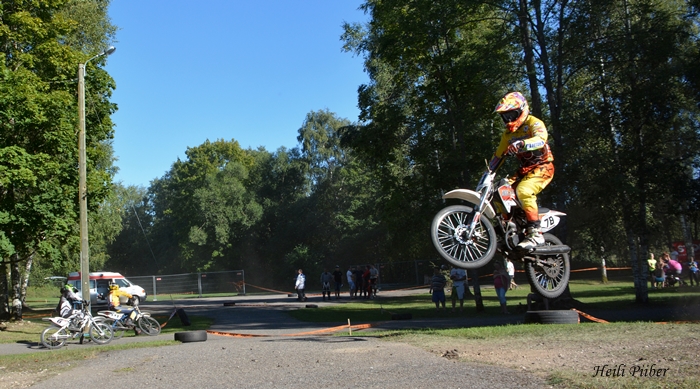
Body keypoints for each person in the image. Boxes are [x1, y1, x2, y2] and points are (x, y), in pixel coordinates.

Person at [489, 92, 554, 249]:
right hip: (525, 170)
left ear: (522, 110)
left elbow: (541, 139)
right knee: (499, 191)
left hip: (543, 167)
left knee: (524, 191)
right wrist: (488, 174)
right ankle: (509, 227)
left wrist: (522, 144)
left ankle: (536, 232)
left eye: (511, 114)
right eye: (505, 116)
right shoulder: (508, 134)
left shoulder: (534, 122)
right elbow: (499, 155)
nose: (508, 120)